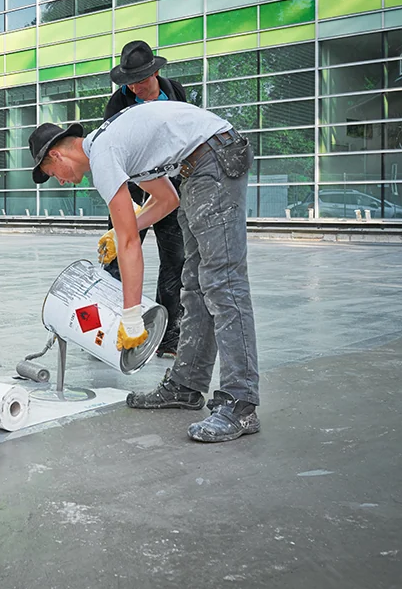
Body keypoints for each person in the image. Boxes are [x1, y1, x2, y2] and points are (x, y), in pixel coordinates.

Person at [28, 100, 261, 443]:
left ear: (57, 157)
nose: (60, 182)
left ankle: (241, 403)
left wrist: (132, 316)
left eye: (52, 175)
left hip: (213, 158)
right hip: (197, 168)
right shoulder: (117, 147)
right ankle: (187, 384)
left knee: (223, 282)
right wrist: (124, 228)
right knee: (196, 286)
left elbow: (130, 245)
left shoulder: (105, 155)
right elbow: (167, 201)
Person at [101, 40, 188, 358]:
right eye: (128, 81)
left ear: (155, 72)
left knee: (174, 261)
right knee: (117, 257)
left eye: (139, 79)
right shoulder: (117, 104)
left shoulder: (175, 91)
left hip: (169, 188)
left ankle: (167, 337)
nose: (133, 87)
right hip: (131, 188)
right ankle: (111, 326)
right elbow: (110, 153)